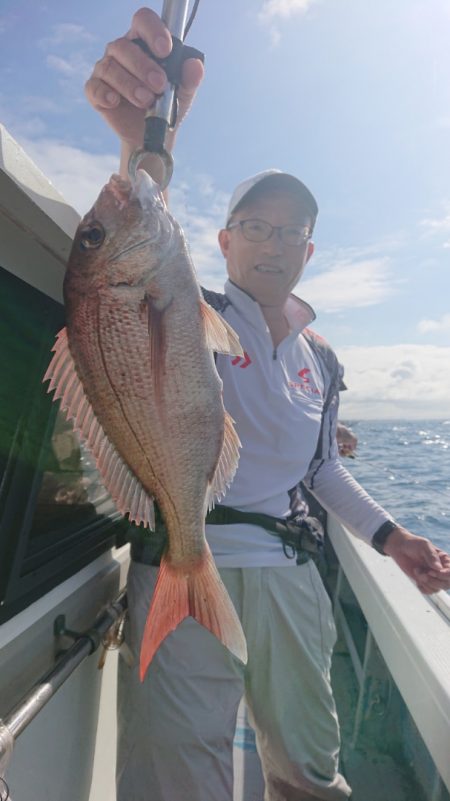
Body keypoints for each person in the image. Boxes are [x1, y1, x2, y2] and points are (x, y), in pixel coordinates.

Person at [85, 10, 450, 801]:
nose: (273, 242)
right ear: (220, 241)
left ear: (310, 250)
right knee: (176, 776)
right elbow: (134, 268)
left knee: (309, 767)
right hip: (186, 555)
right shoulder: (190, 307)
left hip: (287, 571)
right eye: (255, 225)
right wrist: (146, 143)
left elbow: (320, 471)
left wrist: (392, 537)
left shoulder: (322, 357)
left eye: (292, 231)